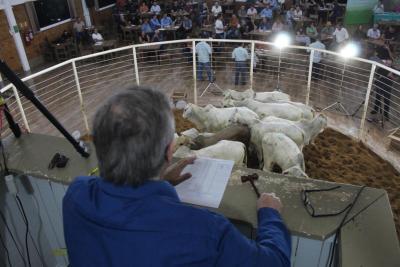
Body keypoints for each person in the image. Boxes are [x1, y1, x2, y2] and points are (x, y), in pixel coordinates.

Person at [63, 86, 291, 267]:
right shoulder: (204, 231)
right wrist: (270, 215)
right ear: (170, 151)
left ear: (98, 144)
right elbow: (275, 262)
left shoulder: (76, 194)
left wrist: (161, 182)